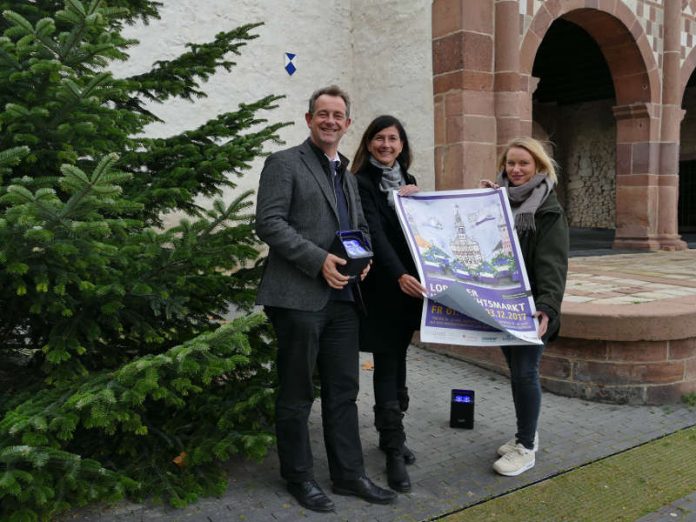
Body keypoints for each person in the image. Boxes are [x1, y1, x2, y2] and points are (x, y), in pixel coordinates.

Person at [255, 86, 396, 512]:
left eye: (338, 115)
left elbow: (360, 228)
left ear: (348, 124)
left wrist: (365, 259)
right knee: (297, 392)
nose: (330, 121)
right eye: (323, 114)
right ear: (309, 118)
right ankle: (299, 477)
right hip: (298, 297)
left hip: (343, 300)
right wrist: (319, 261)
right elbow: (269, 223)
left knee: (344, 391)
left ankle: (349, 475)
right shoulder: (284, 163)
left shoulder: (348, 176)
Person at [479, 137, 568, 477]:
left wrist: (547, 306)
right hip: (502, 304)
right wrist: (483, 202)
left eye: (524, 164)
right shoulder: (498, 201)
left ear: (539, 168)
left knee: (525, 373)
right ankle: (523, 435)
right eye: (510, 163)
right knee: (516, 371)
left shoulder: (547, 209)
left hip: (530, 308)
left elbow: (553, 264)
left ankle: (526, 448)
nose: (515, 170)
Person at [352, 115, 425, 492]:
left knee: (400, 359)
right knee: (386, 363)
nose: (386, 145)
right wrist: (398, 275)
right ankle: (394, 450)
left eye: (393, 139)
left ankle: (389, 434)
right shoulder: (361, 183)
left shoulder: (409, 181)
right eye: (379, 138)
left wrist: (419, 203)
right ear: (368, 144)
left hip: (409, 288)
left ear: (401, 144)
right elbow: (375, 236)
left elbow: (421, 233)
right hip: (382, 287)